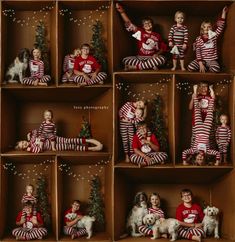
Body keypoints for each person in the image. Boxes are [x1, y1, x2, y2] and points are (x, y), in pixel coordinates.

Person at [116, 3, 167, 70]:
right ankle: (149, 65)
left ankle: (135, 67)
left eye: (149, 22)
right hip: (140, 58)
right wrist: (122, 12)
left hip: (152, 57)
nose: (147, 24)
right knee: (125, 60)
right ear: (142, 26)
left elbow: (163, 48)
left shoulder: (157, 35)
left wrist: (157, 54)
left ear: (152, 24)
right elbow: (128, 23)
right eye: (145, 23)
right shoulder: (140, 32)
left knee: (162, 59)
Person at [182, 86, 220, 166]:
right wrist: (217, 162)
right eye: (201, 159)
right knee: (210, 110)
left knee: (197, 110)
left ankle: (195, 90)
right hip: (206, 128)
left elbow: (184, 152)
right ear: (204, 159)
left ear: (195, 158)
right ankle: (211, 90)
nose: (200, 157)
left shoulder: (194, 150)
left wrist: (184, 161)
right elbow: (217, 153)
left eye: (198, 159)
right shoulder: (208, 151)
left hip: (198, 128)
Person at [188, 6, 228, 73]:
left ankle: (207, 68)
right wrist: (200, 63)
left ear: (211, 28)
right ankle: (203, 67)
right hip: (202, 60)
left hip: (212, 60)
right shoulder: (199, 39)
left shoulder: (214, 36)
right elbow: (198, 51)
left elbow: (221, 26)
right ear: (202, 29)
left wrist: (223, 13)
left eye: (208, 27)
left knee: (216, 69)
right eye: (204, 27)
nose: (206, 28)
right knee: (190, 67)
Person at [15, 129, 103, 153]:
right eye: (23, 146)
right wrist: (30, 149)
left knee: (70, 141)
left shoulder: (32, 138)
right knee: (71, 147)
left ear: (23, 140)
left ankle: (88, 140)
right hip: (54, 147)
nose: (24, 144)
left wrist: (29, 133)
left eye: (23, 142)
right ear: (24, 148)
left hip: (54, 139)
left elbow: (36, 131)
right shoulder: (32, 148)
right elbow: (39, 150)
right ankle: (91, 149)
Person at [189, 83, 213, 147]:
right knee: (194, 137)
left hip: (207, 123)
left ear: (208, 88)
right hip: (196, 122)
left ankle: (206, 153)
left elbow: (213, 109)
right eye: (202, 86)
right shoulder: (197, 95)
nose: (204, 88)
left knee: (207, 138)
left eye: (205, 86)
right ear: (199, 88)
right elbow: (190, 107)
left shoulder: (210, 96)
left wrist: (213, 98)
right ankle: (193, 153)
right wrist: (193, 98)